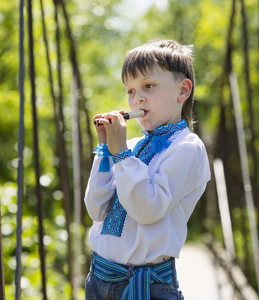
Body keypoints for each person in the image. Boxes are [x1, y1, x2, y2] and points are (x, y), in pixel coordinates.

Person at [84, 39, 210, 300]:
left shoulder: (187, 147)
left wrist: (121, 154)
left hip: (145, 285)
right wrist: (106, 150)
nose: (137, 98)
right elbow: (95, 209)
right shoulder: (130, 148)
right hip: (98, 277)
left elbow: (147, 209)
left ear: (183, 90)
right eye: (130, 91)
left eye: (148, 86)